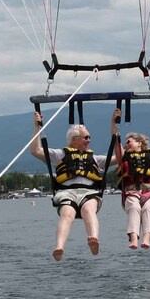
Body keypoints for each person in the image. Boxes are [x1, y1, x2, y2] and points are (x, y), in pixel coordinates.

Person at [31, 110, 120, 261]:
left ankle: (93, 239)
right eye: (86, 137)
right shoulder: (59, 155)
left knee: (88, 210)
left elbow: (119, 157)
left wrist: (114, 127)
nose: (89, 140)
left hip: (89, 193)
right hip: (67, 193)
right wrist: (37, 127)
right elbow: (35, 150)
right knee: (67, 214)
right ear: (74, 140)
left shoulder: (96, 159)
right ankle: (59, 246)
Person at [115, 109, 150, 249]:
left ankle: (147, 238)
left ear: (139, 143)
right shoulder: (124, 157)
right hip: (131, 193)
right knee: (134, 206)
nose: (126, 145)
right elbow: (116, 142)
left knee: (148, 208)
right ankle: (134, 238)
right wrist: (114, 122)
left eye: (129, 142)